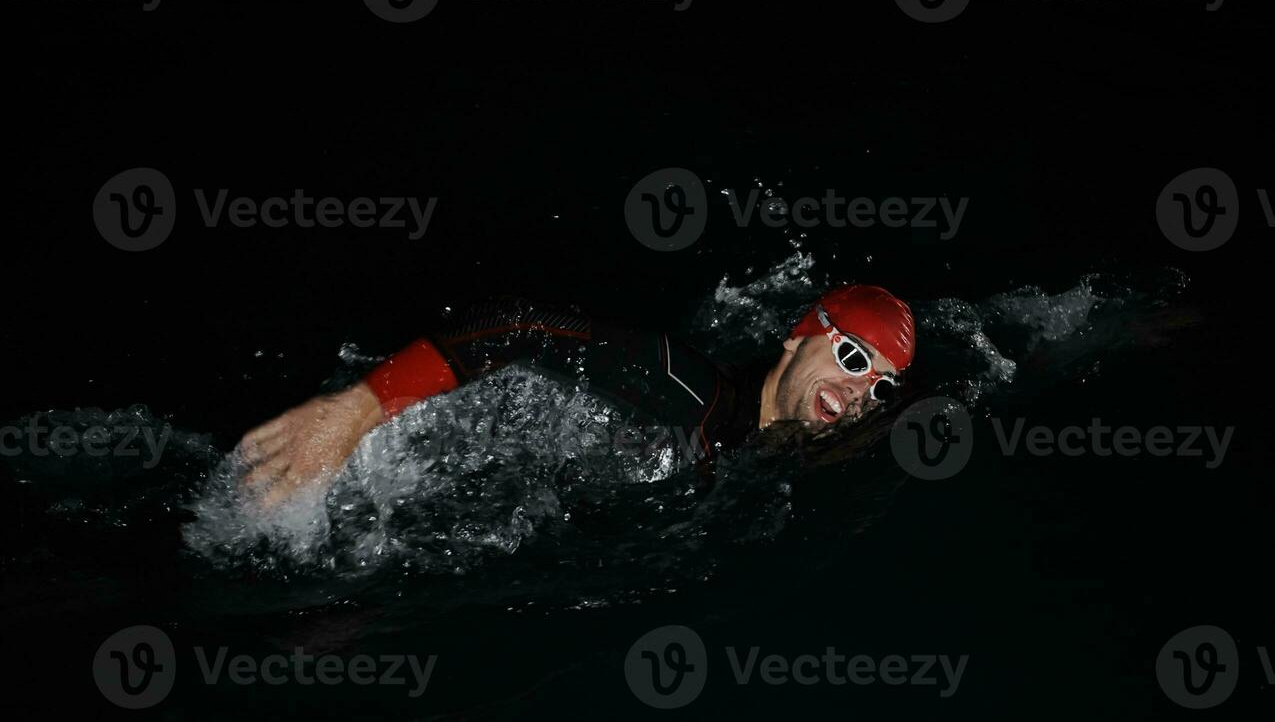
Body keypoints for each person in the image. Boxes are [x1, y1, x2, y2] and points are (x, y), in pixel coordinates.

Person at [238, 284, 916, 507]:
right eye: (853, 356)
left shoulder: (803, 446)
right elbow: (529, 327)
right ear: (799, 338)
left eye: (879, 383)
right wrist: (354, 411)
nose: (860, 390)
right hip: (443, 452)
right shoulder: (685, 388)